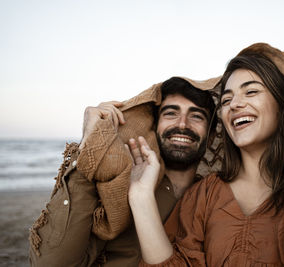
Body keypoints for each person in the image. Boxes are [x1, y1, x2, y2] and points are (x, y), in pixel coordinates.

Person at [127, 47, 284, 266]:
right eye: (226, 100)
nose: (235, 104)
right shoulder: (204, 195)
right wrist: (140, 196)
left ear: (282, 104)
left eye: (251, 91)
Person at [29, 77, 218, 266]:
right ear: (154, 127)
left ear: (210, 138)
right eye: (171, 114)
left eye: (196, 116)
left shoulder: (213, 198)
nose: (183, 124)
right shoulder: (117, 189)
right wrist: (91, 146)